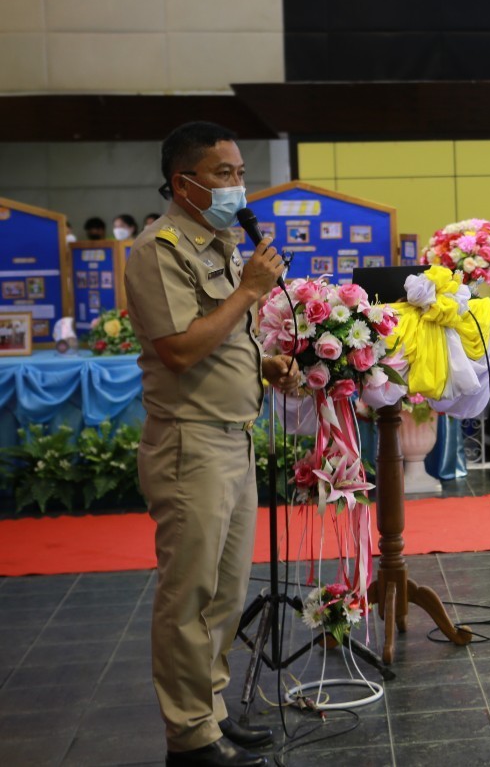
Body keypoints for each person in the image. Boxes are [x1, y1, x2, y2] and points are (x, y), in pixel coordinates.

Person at [126, 121, 299, 767]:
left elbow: (222, 338)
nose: (237, 186)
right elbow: (178, 349)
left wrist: (264, 365)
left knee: (225, 593)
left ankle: (212, 711)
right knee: (189, 596)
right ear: (184, 183)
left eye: (240, 172)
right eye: (223, 174)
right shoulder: (158, 249)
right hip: (189, 444)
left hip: (234, 436)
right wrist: (250, 289)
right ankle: (189, 737)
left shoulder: (223, 243)